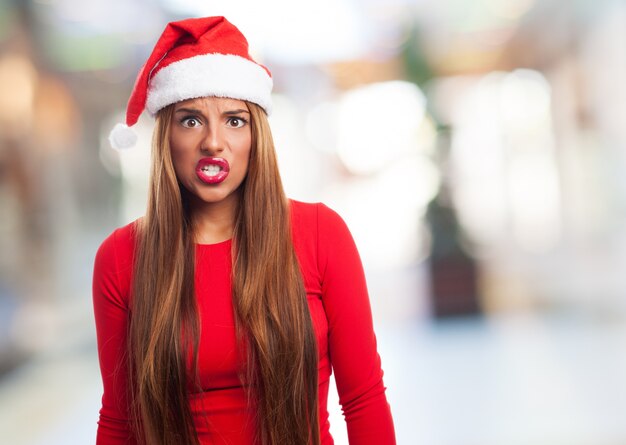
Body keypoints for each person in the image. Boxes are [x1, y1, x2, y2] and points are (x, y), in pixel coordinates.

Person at [93, 16, 396, 445]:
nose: (213, 142)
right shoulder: (120, 257)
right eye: (191, 120)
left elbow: (363, 399)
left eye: (235, 120)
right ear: (166, 137)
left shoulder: (321, 233)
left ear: (257, 136)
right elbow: (120, 422)